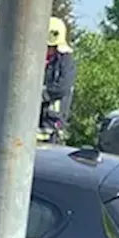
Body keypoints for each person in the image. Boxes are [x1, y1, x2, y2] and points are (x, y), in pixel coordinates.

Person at [40, 16, 76, 144]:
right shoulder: (38, 58)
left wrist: (41, 95)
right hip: (36, 118)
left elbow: (63, 86)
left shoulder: (65, 61)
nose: (48, 50)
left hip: (53, 121)